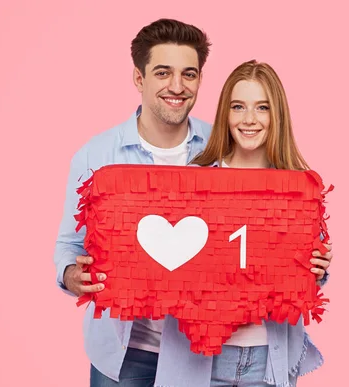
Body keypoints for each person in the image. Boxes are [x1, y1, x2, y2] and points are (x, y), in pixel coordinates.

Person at [53, 19, 333, 387]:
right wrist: (74, 275)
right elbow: (69, 246)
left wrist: (316, 266)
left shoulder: (213, 151)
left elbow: (273, 251)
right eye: (163, 72)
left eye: (188, 74)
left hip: (218, 351)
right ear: (139, 78)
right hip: (129, 350)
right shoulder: (97, 155)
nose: (176, 85)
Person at [190, 59, 330, 386]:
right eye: (238, 107)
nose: (249, 120)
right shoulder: (194, 181)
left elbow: (305, 282)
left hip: (269, 358)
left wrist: (318, 271)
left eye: (262, 108)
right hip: (204, 360)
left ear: (276, 115)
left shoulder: (299, 186)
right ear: (225, 113)